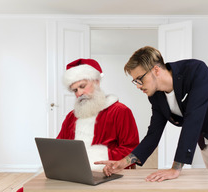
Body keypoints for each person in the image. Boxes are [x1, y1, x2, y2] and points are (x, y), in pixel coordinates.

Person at [95, 46, 208, 192]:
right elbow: (153, 134)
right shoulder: (156, 96)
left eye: (139, 79)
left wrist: (176, 168)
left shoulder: (196, 70)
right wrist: (123, 162)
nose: (137, 85)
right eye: (134, 81)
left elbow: (193, 118)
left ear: (156, 70)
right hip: (206, 140)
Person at [17, 58, 139, 192]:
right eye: (74, 90)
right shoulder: (71, 116)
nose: (79, 93)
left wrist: (95, 157)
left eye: (82, 86)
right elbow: (58, 146)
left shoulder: (120, 111)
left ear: (97, 82)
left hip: (106, 174)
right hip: (72, 175)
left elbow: (131, 148)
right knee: (28, 189)